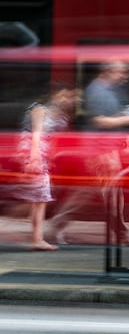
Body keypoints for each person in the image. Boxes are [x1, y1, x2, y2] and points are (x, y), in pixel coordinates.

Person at [46, 61, 129, 247]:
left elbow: (111, 116)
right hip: (101, 150)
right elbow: (101, 121)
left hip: (107, 149)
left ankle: (56, 226)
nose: (125, 76)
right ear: (108, 71)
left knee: (92, 192)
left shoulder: (111, 90)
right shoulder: (97, 91)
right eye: (121, 71)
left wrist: (125, 117)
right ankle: (123, 234)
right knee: (108, 194)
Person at [15, 82, 77, 251]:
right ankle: (37, 239)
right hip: (33, 151)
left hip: (44, 154)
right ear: (54, 95)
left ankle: (36, 236)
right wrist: (34, 157)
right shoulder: (39, 109)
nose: (67, 99)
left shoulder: (60, 114)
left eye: (69, 96)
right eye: (63, 95)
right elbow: (36, 133)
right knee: (40, 196)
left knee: (39, 197)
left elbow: (54, 138)